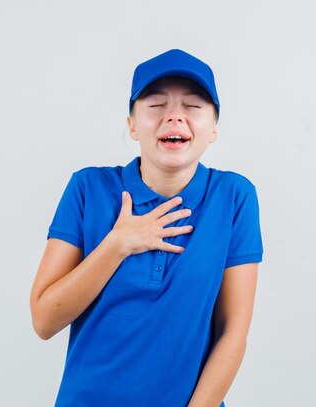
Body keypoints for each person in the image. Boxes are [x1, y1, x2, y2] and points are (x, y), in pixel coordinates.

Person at [30, 49, 263, 407]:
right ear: (132, 125)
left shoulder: (233, 197)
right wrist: (117, 244)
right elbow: (44, 320)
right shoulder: (88, 188)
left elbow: (233, 332)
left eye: (193, 106)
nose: (174, 116)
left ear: (213, 127)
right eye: (155, 105)